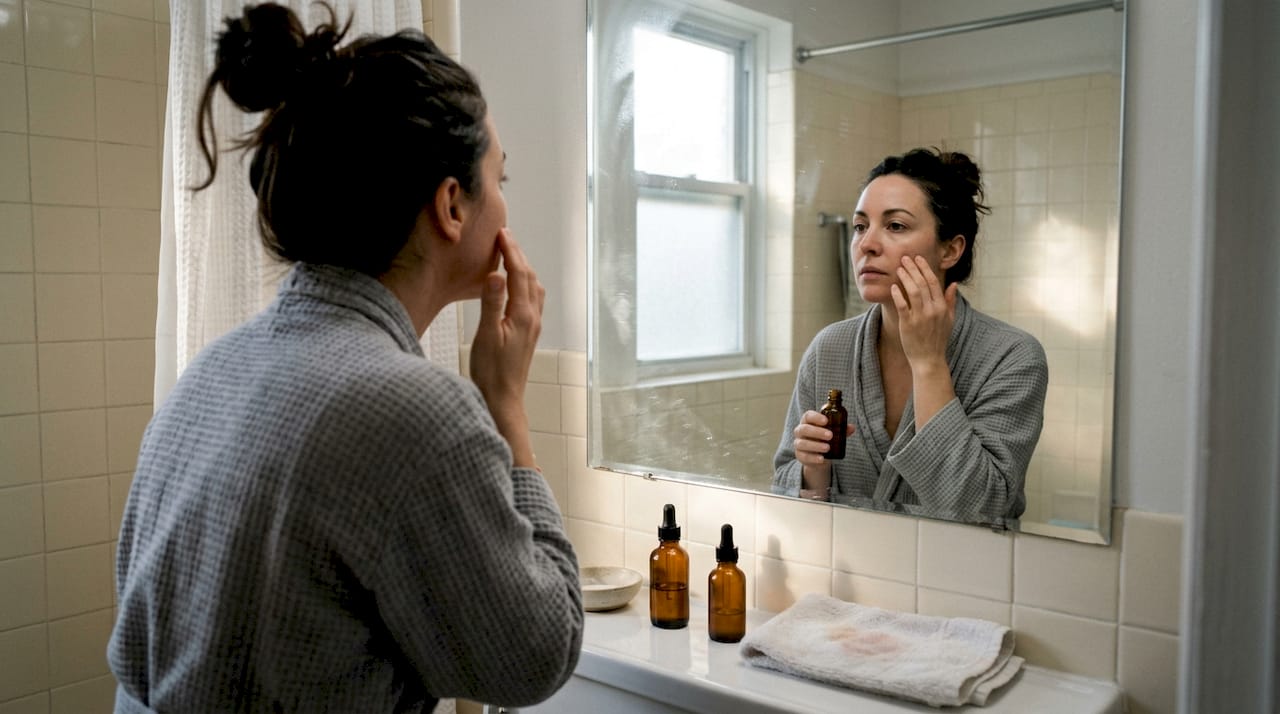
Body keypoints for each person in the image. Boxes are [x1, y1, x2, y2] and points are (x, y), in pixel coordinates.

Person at [107, 5, 582, 712]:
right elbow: (534, 656)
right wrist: (504, 401)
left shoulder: (209, 374)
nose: (506, 211)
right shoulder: (419, 411)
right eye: (500, 182)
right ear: (452, 205)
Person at [772, 148, 1048, 524]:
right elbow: (790, 497)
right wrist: (812, 470)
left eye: (895, 226)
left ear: (951, 249)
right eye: (859, 226)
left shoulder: (1011, 356)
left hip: (963, 578)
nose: (867, 243)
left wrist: (930, 364)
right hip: (849, 572)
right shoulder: (829, 348)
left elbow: (983, 510)